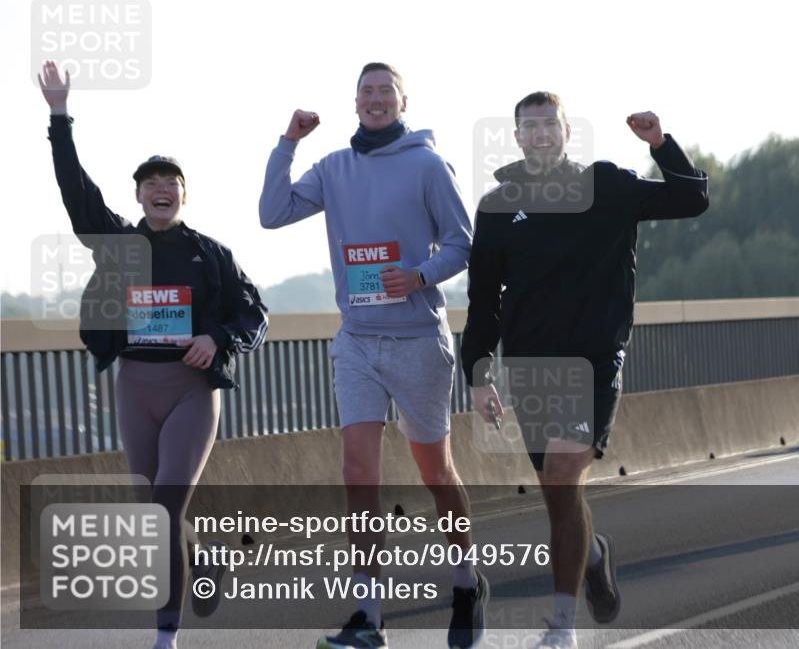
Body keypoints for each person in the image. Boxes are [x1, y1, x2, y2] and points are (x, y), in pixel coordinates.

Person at [461, 91, 709, 649]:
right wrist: (478, 376)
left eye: (551, 124)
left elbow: (691, 200)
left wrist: (661, 145)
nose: (541, 134)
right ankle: (593, 554)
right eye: (531, 127)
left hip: (594, 362)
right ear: (518, 137)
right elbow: (484, 303)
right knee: (558, 497)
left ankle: (562, 626)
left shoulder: (606, 186)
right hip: (530, 368)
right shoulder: (497, 208)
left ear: (566, 133)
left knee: (561, 478)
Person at [38, 61, 269, 649]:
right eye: (150, 184)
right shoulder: (119, 245)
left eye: (171, 184)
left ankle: (165, 636)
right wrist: (59, 116)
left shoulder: (211, 253)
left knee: (166, 506)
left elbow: (253, 312)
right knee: (157, 518)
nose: (161, 190)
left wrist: (216, 337)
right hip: (133, 387)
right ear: (138, 196)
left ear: (184, 195)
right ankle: (206, 559)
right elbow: (75, 191)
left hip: (191, 390)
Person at [258, 62, 486, 649]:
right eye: (367, 92)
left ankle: (466, 582)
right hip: (356, 338)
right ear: (355, 102)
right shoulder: (334, 167)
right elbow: (272, 212)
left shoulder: (428, 165)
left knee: (436, 472)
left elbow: (463, 243)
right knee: (358, 471)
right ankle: (367, 615)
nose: (376, 99)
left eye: (386, 90)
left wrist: (418, 275)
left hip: (415, 339)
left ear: (402, 100)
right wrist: (288, 143)